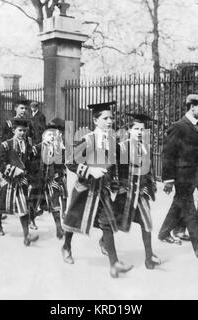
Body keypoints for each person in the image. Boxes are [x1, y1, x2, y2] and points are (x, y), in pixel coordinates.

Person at [62, 101, 134, 278]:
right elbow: (70, 163)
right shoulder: (88, 140)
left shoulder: (113, 140)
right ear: (96, 121)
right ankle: (66, 246)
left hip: (103, 191)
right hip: (85, 189)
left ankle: (114, 264)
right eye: (105, 118)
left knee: (107, 224)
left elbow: (115, 166)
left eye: (111, 118)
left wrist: (117, 184)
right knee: (73, 221)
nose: (110, 121)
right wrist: (89, 170)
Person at [157, 94, 198, 259]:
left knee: (179, 203)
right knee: (189, 209)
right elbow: (168, 154)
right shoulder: (179, 127)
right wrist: (168, 179)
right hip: (183, 176)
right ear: (192, 106)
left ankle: (164, 233)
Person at [113, 113, 161, 269]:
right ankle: (104, 241)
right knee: (114, 222)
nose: (139, 132)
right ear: (129, 130)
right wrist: (116, 185)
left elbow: (150, 170)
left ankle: (149, 258)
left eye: (142, 129)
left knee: (147, 223)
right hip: (124, 192)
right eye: (136, 129)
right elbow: (113, 168)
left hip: (141, 192)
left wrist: (151, 185)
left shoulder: (147, 147)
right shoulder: (121, 147)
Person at [0, 118, 39, 245]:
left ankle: (26, 235)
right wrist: (12, 170)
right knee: (1, 205)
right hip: (7, 180)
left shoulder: (27, 146)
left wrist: (30, 176)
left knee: (23, 208)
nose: (22, 133)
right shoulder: (6, 145)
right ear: (13, 130)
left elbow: (29, 163)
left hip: (21, 181)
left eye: (24, 131)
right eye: (20, 130)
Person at [36, 117, 67, 239]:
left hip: (54, 177)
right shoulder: (39, 147)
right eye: (51, 132)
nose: (55, 135)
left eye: (59, 132)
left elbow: (64, 161)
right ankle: (29, 220)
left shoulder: (61, 147)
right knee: (36, 204)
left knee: (55, 201)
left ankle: (59, 227)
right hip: (40, 179)